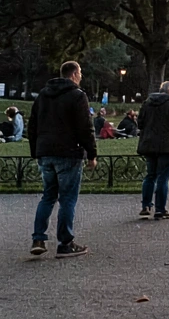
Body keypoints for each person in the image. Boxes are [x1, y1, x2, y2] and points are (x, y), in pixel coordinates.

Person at [28, 61, 98, 258]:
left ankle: (38, 238)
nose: (81, 76)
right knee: (67, 198)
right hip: (68, 151)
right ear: (74, 74)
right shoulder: (77, 96)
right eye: (81, 73)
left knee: (48, 196)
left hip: (45, 151)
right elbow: (85, 128)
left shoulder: (43, 95)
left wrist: (36, 151)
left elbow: (32, 125)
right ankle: (65, 242)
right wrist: (91, 154)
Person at [137, 81, 169, 220]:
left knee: (150, 175)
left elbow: (140, 122)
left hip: (149, 144)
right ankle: (160, 209)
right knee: (163, 178)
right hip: (168, 145)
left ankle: (146, 205)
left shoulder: (147, 103)